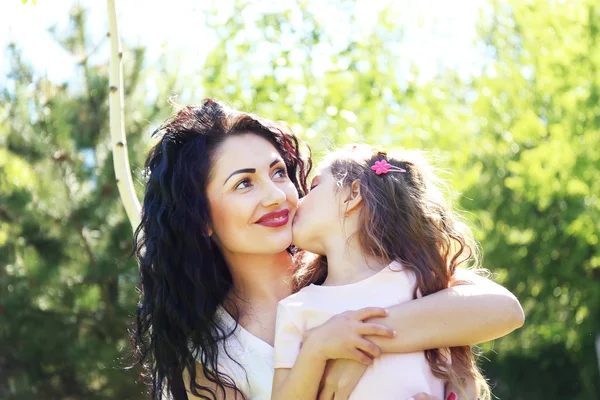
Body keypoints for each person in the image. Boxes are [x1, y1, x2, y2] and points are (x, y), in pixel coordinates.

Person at [132, 99, 524, 400]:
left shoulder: (352, 263)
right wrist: (319, 352)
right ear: (201, 219)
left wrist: (356, 348)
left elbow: (501, 309)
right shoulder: (209, 352)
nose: (276, 196)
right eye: (244, 184)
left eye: (278, 173)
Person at [272, 145, 493, 399]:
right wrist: (315, 350)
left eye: (313, 188)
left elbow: (460, 375)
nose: (298, 202)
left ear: (352, 195)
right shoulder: (296, 307)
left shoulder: (421, 283)